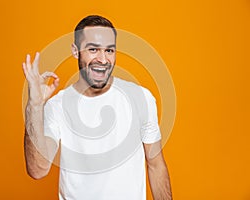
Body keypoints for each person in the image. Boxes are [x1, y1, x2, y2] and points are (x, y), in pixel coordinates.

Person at [22, 15, 172, 200]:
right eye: (93, 49)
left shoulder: (141, 98)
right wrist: (35, 105)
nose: (102, 59)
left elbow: (156, 164)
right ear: (76, 51)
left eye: (109, 50)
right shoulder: (57, 106)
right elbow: (38, 170)